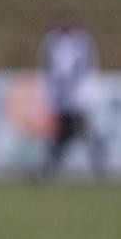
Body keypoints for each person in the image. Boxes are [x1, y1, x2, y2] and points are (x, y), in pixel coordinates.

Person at [38, 13, 106, 180]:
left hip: (78, 97)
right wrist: (53, 93)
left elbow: (86, 68)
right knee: (64, 134)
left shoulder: (82, 42)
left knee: (81, 131)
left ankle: (99, 166)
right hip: (62, 97)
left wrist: (83, 93)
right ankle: (51, 168)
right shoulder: (52, 42)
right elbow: (49, 69)